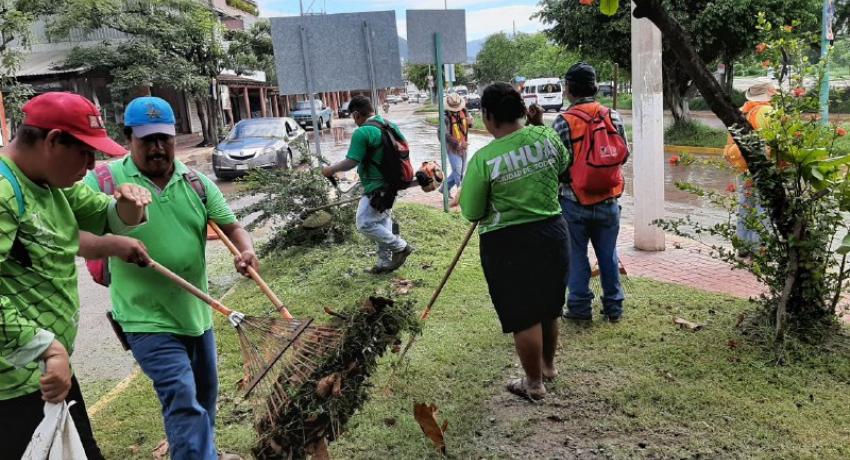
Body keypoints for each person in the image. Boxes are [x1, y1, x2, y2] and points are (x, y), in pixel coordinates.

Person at [78, 96, 257, 460]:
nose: (158, 148)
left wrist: (245, 250)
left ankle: (201, 451)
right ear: (129, 138)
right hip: (145, 317)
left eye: (165, 138)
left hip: (196, 313)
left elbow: (232, 226)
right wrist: (115, 243)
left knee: (204, 397)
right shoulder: (106, 180)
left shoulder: (195, 183)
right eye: (148, 140)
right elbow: (74, 235)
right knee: (182, 395)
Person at [0, 92, 151, 459]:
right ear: (52, 140)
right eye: (84, 153)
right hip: (12, 387)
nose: (89, 166)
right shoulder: (5, 190)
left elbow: (107, 216)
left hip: (48, 373)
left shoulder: (50, 183)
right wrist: (47, 347)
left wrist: (129, 204)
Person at [459, 82, 570, 401]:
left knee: (524, 315)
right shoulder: (546, 136)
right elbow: (563, 166)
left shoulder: (484, 159)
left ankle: (533, 384)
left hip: (507, 244)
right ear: (522, 110)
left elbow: (472, 210)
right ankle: (548, 367)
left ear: (489, 116)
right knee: (550, 306)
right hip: (553, 232)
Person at [553, 62, 629, 323]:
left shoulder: (563, 122)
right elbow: (622, 156)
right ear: (595, 87)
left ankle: (579, 308)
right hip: (608, 198)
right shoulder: (612, 116)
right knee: (608, 255)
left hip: (574, 201)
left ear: (569, 89)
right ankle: (614, 308)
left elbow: (557, 166)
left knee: (576, 255)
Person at [322, 95, 413, 274]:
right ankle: (383, 263)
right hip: (393, 184)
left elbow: (351, 162)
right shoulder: (388, 125)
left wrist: (330, 170)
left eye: (352, 117)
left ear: (356, 114)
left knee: (364, 223)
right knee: (382, 221)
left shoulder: (363, 132)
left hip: (377, 187)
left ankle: (401, 247)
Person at [723, 81, 776, 256]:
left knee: (745, 205)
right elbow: (779, 142)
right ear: (769, 94)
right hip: (763, 166)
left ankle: (742, 246)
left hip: (743, 167)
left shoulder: (741, 111)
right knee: (763, 207)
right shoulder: (768, 112)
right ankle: (758, 248)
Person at [441, 93, 474, 198]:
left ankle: (444, 188)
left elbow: (470, 125)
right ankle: (464, 194)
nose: (456, 110)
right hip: (452, 148)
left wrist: (470, 122)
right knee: (458, 172)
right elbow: (443, 134)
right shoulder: (444, 117)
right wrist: (457, 143)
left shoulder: (464, 111)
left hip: (464, 147)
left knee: (459, 171)